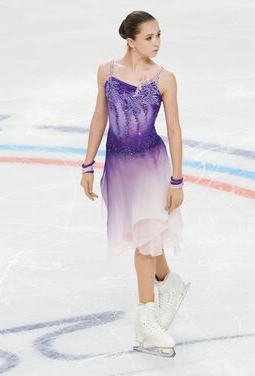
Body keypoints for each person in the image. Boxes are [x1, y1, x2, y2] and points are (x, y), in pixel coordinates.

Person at [79, 10, 190, 357]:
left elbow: (173, 129)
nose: (156, 43)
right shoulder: (106, 72)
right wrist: (87, 165)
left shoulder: (165, 79)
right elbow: (100, 117)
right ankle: (168, 282)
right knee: (140, 234)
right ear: (130, 40)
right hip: (119, 167)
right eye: (148, 37)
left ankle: (146, 315)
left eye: (159, 36)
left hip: (151, 167)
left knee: (145, 239)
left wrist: (177, 181)